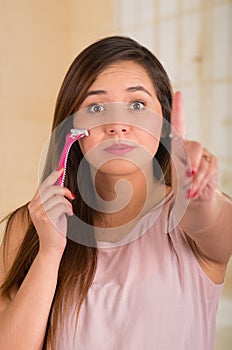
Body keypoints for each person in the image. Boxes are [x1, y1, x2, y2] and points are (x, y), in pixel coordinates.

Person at [0, 35, 231, 350]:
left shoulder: (194, 222)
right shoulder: (30, 227)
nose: (117, 124)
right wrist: (50, 253)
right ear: (72, 127)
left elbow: (209, 220)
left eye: (137, 105)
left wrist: (197, 198)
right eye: (96, 106)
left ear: (163, 121)